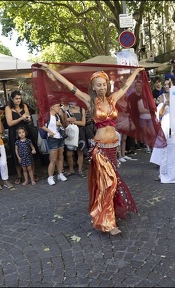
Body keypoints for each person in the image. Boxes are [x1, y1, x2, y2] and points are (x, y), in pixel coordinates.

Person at [38, 63, 143, 235]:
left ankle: (108, 213)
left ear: (107, 85)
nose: (102, 87)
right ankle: (108, 223)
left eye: (104, 84)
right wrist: (49, 70)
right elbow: (68, 85)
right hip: (100, 148)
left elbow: (125, 86)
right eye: (98, 85)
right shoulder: (90, 100)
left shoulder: (112, 99)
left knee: (112, 183)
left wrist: (136, 72)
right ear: (93, 87)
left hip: (113, 148)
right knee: (108, 184)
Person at [5, 91, 38, 185]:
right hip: (14, 132)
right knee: (17, 154)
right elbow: (9, 123)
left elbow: (28, 117)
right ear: (12, 99)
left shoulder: (24, 106)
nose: (18, 100)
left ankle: (33, 174)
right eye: (16, 98)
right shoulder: (8, 108)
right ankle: (19, 176)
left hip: (25, 130)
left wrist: (28, 118)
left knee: (29, 152)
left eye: (19, 98)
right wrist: (21, 118)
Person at [40, 103, 68, 186]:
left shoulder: (57, 115)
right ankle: (50, 177)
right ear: (52, 107)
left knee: (60, 157)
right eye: (58, 106)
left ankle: (60, 174)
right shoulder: (47, 115)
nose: (59, 108)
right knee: (53, 159)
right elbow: (41, 125)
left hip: (60, 137)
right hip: (52, 139)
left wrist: (60, 123)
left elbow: (63, 124)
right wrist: (49, 131)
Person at [62, 103, 87, 178]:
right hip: (70, 133)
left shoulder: (81, 108)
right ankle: (71, 170)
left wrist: (72, 121)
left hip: (80, 133)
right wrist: (67, 120)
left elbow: (83, 123)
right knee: (69, 154)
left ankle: (80, 170)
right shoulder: (67, 109)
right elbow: (65, 124)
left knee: (80, 152)